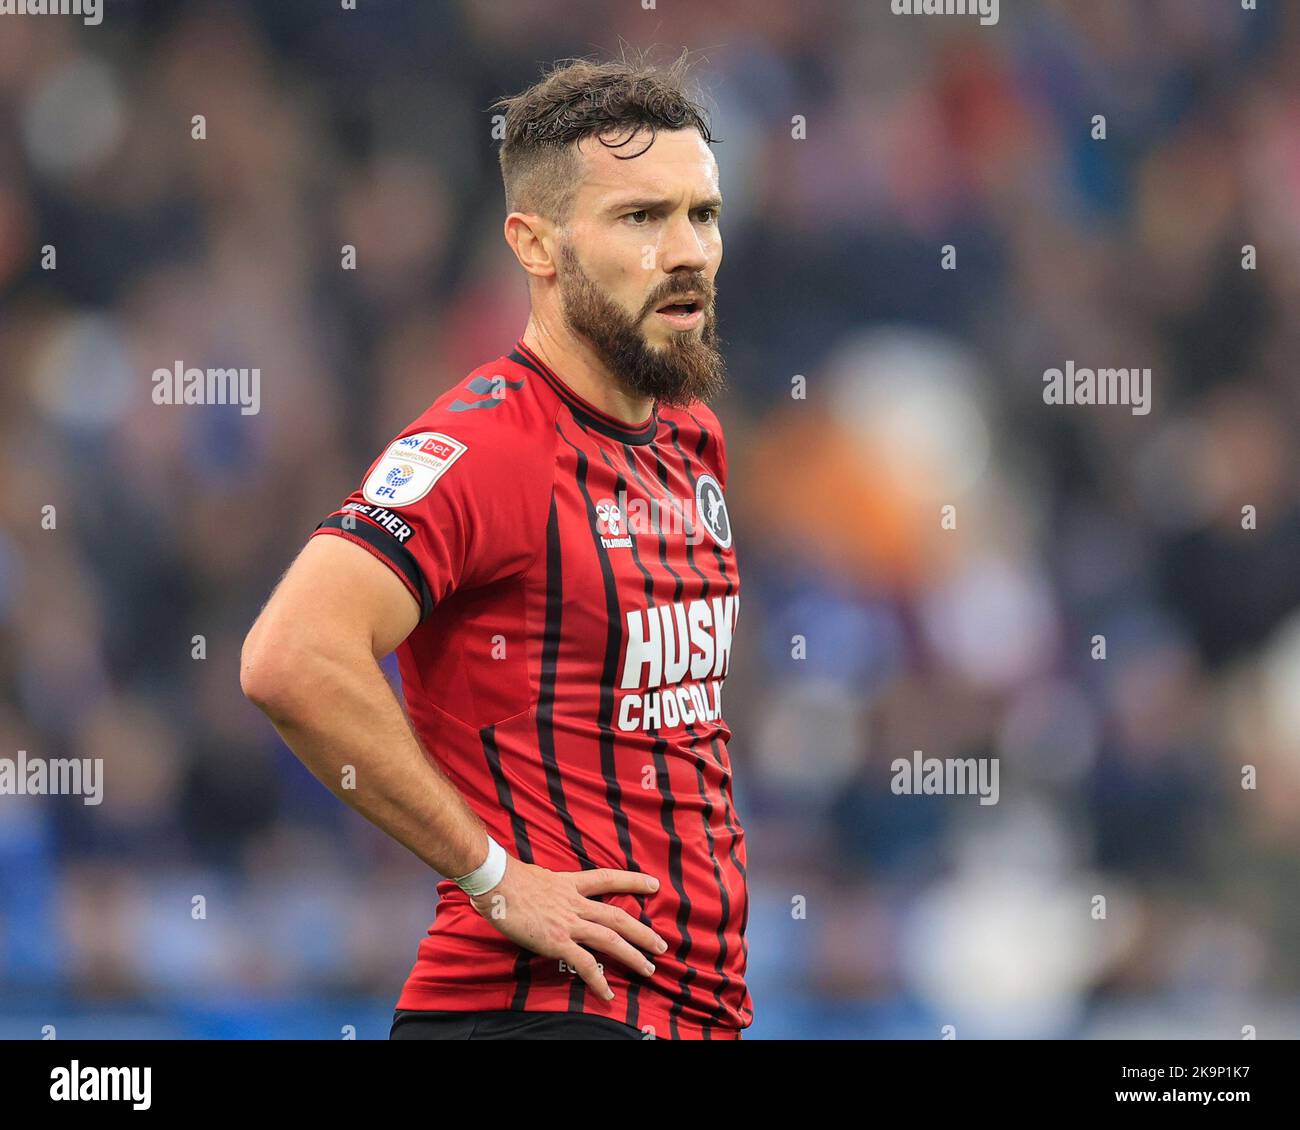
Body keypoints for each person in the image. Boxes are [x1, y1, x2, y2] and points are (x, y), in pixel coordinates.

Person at [241, 51, 750, 1041]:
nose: (687, 249)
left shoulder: (693, 440)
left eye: (702, 213)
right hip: (532, 1008)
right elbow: (289, 656)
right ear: (536, 244)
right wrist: (491, 874)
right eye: (641, 218)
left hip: (683, 1010)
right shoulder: (483, 445)